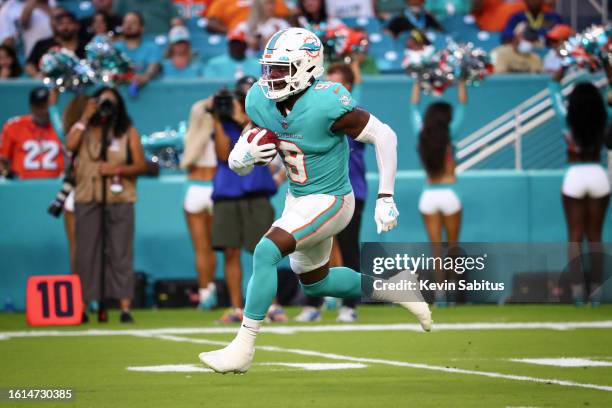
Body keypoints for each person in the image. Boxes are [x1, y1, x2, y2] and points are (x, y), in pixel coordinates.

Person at [199, 27, 431, 374]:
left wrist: (385, 196)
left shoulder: (328, 102)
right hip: (298, 199)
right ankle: (394, 289)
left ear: (307, 67)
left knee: (265, 251)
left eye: (281, 69)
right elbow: (248, 150)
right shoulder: (260, 99)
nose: (271, 76)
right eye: (269, 68)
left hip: (332, 200)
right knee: (316, 280)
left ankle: (243, 347)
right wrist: (240, 157)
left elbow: (385, 135)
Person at [66, 87, 147, 323]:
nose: (106, 107)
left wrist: (117, 170)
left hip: (120, 198)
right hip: (87, 197)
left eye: (111, 102)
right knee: (86, 253)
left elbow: (141, 165)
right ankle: (83, 304)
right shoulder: (85, 129)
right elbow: (70, 146)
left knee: (121, 251)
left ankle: (124, 307)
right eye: (102, 102)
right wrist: (84, 117)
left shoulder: (127, 132)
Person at [209, 76, 286, 323]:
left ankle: (272, 306)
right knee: (230, 253)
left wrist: (240, 117)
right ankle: (236, 307)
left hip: (257, 193)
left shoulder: (262, 117)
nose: (240, 103)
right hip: (228, 194)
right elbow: (223, 154)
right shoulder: (223, 123)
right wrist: (218, 119)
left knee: (265, 252)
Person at [295, 61, 366, 323]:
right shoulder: (317, 114)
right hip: (319, 192)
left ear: (347, 87)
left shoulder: (356, 115)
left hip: (351, 190)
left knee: (348, 249)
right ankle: (313, 303)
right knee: (311, 246)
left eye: (337, 83)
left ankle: (350, 306)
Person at [550, 68, 610, 306]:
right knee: (595, 237)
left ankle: (576, 292)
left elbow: (552, 89)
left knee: (574, 237)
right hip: (598, 174)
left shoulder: (567, 117)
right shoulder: (604, 115)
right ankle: (595, 293)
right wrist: (607, 67)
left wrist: (561, 68)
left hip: (574, 176)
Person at [411, 80, 466, 306]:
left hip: (428, 196)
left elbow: (412, 108)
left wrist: (417, 80)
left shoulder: (421, 133)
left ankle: (441, 296)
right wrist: (461, 82)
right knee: (452, 247)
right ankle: (452, 293)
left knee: (436, 250)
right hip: (450, 195)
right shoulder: (450, 134)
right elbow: (463, 106)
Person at [180, 90, 218, 310]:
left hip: (195, 188)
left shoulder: (190, 136)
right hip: (215, 188)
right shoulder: (222, 132)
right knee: (216, 247)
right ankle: (209, 293)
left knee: (201, 248)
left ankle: (206, 293)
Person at [0, 86, 65, 179]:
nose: (42, 111)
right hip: (21, 187)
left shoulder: (61, 128)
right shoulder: (14, 126)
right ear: (31, 107)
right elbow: (3, 159)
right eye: (38, 106)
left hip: (56, 186)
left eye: (45, 106)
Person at [25, 10, 86, 78]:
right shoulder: (42, 44)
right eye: (61, 24)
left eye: (69, 23)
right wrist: (38, 77)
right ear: (55, 26)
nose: (65, 27)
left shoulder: (85, 46)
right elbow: (29, 65)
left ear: (77, 26)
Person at [114, 12, 162, 87]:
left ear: (142, 28)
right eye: (125, 22)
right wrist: (126, 78)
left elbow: (152, 70)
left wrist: (145, 77)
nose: (128, 25)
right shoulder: (115, 48)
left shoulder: (152, 47)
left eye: (133, 22)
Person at [205, 0, 289, 34]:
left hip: (267, 31)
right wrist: (235, 33)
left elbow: (287, 16)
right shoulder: (223, 1)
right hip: (238, 38)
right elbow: (211, 23)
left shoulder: (271, 1)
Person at [113, 0, 182, 34]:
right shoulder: (123, 2)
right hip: (131, 42)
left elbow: (177, 22)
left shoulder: (164, 1)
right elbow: (113, 22)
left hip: (161, 42)